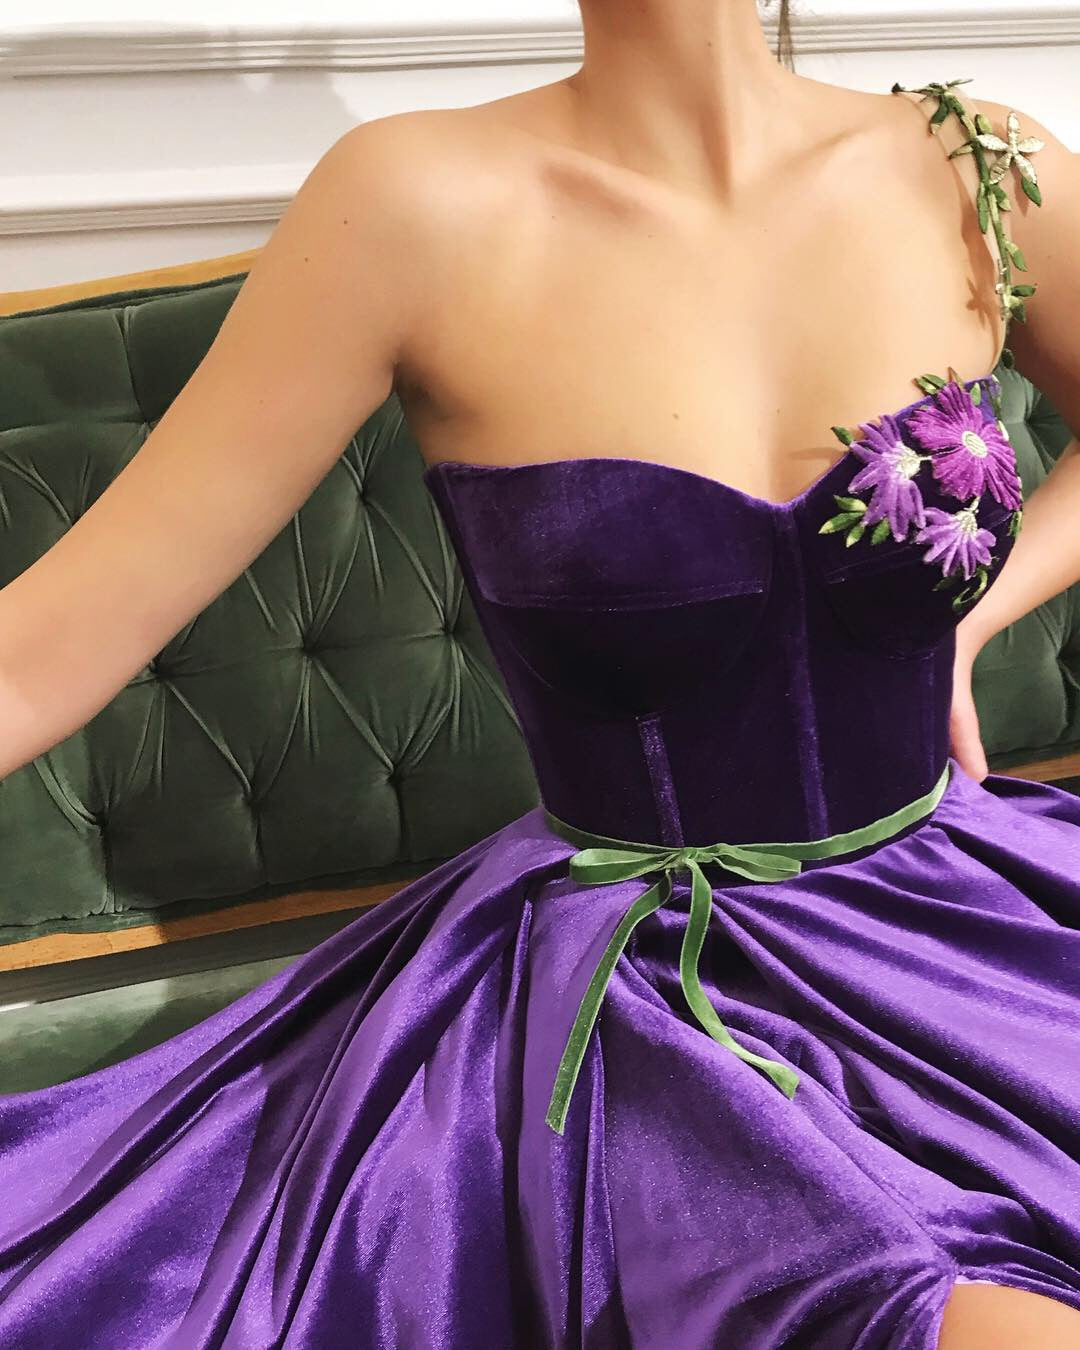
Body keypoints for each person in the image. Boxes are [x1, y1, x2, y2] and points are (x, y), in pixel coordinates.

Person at [1, 0, 1079, 1344]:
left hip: (960, 933)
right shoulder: (412, 205)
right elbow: (37, 655)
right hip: (656, 1008)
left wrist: (969, 619)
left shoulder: (975, 164)